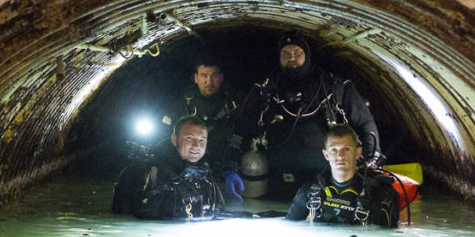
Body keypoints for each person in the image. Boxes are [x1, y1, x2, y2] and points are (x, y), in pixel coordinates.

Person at [227, 31, 383, 196]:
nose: (292, 57)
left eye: (297, 52)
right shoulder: (266, 89)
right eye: (286, 53)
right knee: (253, 161)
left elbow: (365, 122)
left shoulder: (334, 87)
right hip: (274, 180)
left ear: (307, 54)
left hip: (328, 180)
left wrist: (371, 159)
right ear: (279, 57)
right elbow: (242, 125)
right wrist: (230, 164)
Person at [161, 52, 245, 202]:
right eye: (204, 76)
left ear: (221, 78)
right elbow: (165, 136)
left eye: (214, 76)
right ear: (196, 78)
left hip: (222, 162)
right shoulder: (182, 104)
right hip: (186, 165)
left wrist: (231, 168)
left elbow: (239, 136)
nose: (209, 81)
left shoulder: (233, 103)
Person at [111, 115, 224, 220]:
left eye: (201, 140)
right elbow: (122, 217)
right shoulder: (144, 172)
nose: (196, 145)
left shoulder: (207, 176)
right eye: (189, 138)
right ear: (174, 140)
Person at [286, 124, 399, 228]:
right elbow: (289, 227)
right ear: (326, 155)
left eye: (346, 149)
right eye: (334, 150)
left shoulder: (377, 195)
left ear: (358, 152)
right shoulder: (311, 190)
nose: (340, 156)